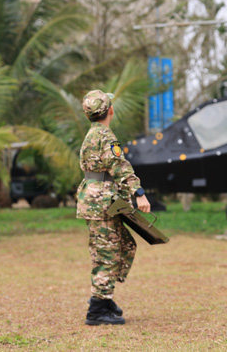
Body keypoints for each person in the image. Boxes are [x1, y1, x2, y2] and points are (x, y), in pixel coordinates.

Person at [77, 90, 151, 325]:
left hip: (95, 198)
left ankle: (105, 299)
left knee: (119, 245)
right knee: (107, 252)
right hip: (102, 201)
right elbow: (119, 166)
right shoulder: (106, 136)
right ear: (110, 110)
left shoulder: (91, 134)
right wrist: (138, 192)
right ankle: (97, 310)